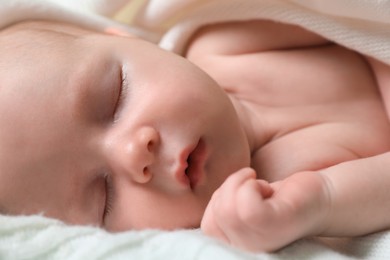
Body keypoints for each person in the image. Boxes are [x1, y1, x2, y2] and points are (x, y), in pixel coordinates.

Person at [1, 0, 390, 253]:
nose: (134, 153)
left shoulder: (229, 41)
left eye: (113, 97)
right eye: (103, 197)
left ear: (129, 40)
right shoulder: (271, 198)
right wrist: (320, 203)